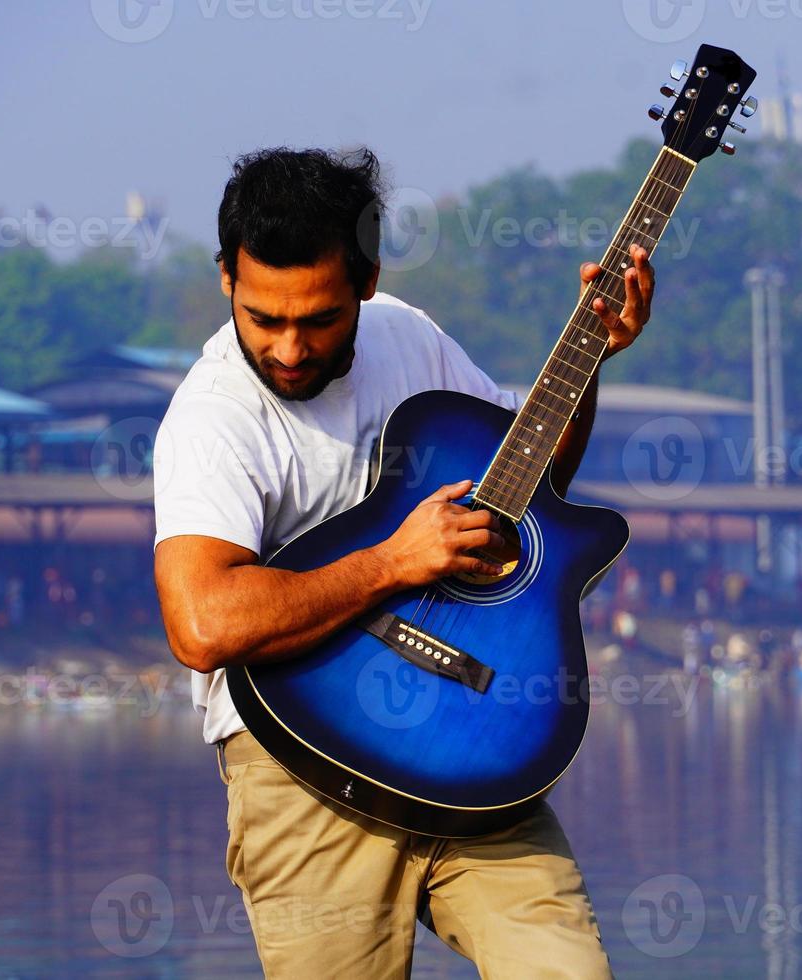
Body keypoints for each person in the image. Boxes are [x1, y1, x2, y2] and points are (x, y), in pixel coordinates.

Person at [152, 147, 656, 977]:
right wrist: (393, 562)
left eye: (316, 319)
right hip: (305, 775)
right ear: (225, 282)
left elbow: (531, 485)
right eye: (261, 317)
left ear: (367, 281)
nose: (286, 347)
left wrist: (592, 354)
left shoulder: (407, 336)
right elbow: (204, 624)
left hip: (477, 754)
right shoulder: (212, 420)